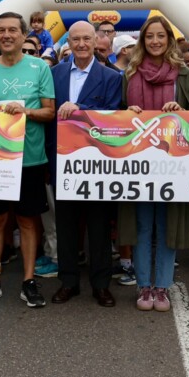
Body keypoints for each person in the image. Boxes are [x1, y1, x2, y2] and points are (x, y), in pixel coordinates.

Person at [0, 12, 55, 308]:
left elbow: (49, 112)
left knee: (28, 221)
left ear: (22, 34)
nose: (6, 35)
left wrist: (25, 111)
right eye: (1, 30)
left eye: (12, 30)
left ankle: (28, 280)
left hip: (30, 158)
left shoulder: (39, 68)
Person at [121, 17, 189, 310]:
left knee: (167, 224)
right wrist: (126, 111)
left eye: (160, 36)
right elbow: (115, 114)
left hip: (173, 160)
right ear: (142, 40)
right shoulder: (129, 72)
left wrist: (182, 109)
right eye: (149, 36)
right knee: (142, 224)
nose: (155, 41)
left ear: (168, 39)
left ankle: (162, 287)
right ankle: (143, 286)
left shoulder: (184, 73)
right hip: (138, 159)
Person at [49, 21, 123, 306]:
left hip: (97, 164)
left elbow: (114, 114)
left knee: (99, 226)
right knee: (66, 224)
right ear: (68, 41)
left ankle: (101, 284)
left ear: (96, 41)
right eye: (75, 39)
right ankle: (68, 281)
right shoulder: (53, 74)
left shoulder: (111, 77)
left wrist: (81, 110)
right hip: (62, 161)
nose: (81, 44)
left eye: (86, 39)